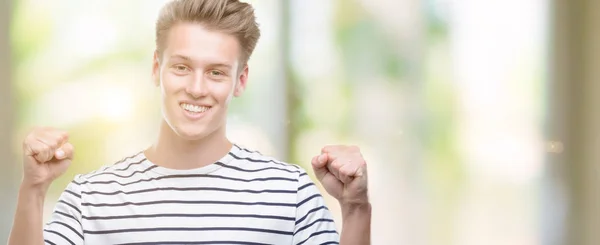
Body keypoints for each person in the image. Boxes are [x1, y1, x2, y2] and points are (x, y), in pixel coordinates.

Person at [8, 0, 371, 244]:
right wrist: (33, 190)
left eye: (215, 72)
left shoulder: (290, 194)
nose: (197, 88)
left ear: (240, 81)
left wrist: (356, 208)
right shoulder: (91, 198)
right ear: (157, 69)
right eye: (182, 67)